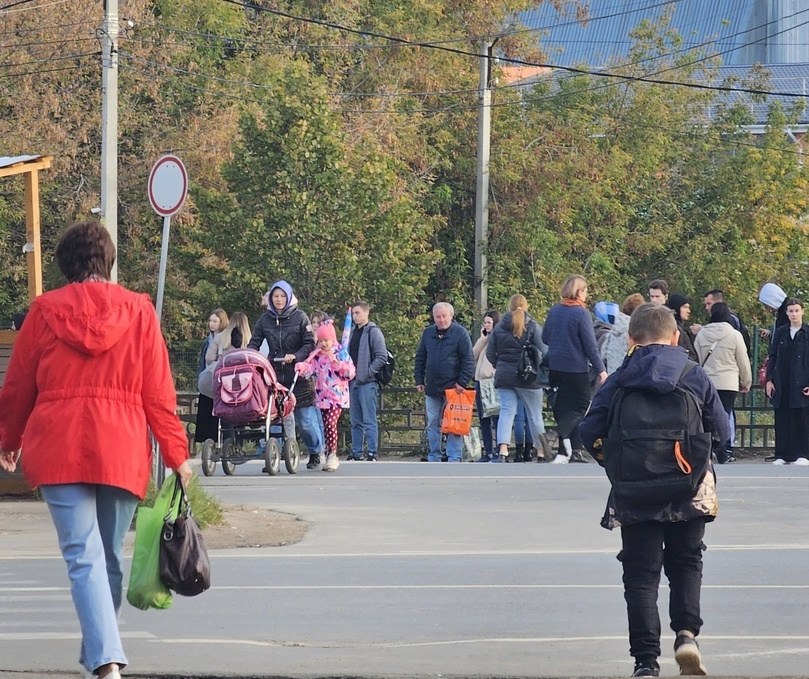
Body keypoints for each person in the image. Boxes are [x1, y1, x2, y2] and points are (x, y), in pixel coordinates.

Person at [0, 221, 192, 679]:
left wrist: (10, 439)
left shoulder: (43, 312)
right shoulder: (139, 311)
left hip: (60, 446)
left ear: (65, 265)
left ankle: (105, 657)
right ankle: (104, 654)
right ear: (108, 262)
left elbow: (19, 384)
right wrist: (175, 453)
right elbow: (158, 393)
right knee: (106, 555)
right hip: (122, 449)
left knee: (83, 555)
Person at [579, 302, 728, 679]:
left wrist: (614, 461)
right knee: (687, 562)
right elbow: (723, 431)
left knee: (641, 575)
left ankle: (645, 661)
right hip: (689, 484)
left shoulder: (619, 380)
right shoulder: (693, 374)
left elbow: (587, 431)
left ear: (631, 339)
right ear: (675, 337)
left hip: (634, 486)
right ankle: (687, 635)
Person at [248, 280, 325, 469]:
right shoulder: (264, 320)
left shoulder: (300, 317)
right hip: (275, 376)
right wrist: (250, 359)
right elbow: (254, 342)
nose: (279, 300)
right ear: (271, 299)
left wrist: (296, 356)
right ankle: (273, 456)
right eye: (276, 296)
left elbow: (309, 343)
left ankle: (316, 451)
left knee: (305, 422)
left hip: (298, 376)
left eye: (282, 296)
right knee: (273, 420)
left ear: (289, 297)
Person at [542, 275, 607, 464]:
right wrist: (601, 369)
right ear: (578, 292)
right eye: (585, 290)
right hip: (575, 367)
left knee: (563, 408)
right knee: (581, 405)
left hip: (555, 366)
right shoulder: (581, 313)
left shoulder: (555, 310)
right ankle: (555, 434)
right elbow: (590, 345)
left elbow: (545, 337)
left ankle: (570, 450)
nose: (587, 294)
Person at [487, 294, 547, 463]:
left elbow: (490, 354)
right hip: (528, 376)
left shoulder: (499, 328)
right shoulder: (533, 326)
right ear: (526, 306)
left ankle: (503, 450)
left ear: (509, 306)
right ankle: (541, 450)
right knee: (535, 415)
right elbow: (544, 349)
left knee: (507, 412)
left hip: (504, 375)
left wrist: (501, 364)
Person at [414, 302, 474, 462]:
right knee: (433, 422)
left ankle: (454, 455)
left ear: (451, 316)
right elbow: (421, 357)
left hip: (454, 387)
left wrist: (462, 382)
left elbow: (468, 360)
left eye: (444, 316)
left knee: (454, 422)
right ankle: (434, 454)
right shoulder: (428, 333)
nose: (441, 320)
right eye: (437, 317)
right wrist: (419, 379)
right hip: (432, 386)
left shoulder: (460, 333)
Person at [694, 303, 751, 464]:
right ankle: (724, 450)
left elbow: (696, 358)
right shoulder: (734, 335)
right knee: (723, 415)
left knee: (706, 415)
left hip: (706, 381)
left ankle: (708, 448)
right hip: (728, 382)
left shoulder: (702, 334)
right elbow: (743, 361)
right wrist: (746, 381)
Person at [295, 320, 355, 472]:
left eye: (326, 340)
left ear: (332, 339)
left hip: (337, 397)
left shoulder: (341, 353)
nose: (323, 344)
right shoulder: (317, 355)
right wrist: (302, 367)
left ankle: (332, 455)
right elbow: (310, 370)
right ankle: (328, 452)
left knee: (330, 423)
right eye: (320, 340)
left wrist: (338, 364)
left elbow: (349, 373)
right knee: (326, 426)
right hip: (322, 397)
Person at [764, 298, 809, 465]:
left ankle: (803, 453)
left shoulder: (807, 333)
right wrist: (769, 379)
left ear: (802, 311)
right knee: (782, 417)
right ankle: (782, 454)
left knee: (802, 418)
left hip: (802, 381)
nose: (794, 314)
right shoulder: (781, 332)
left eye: (797, 310)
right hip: (782, 381)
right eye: (791, 311)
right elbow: (773, 356)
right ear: (786, 313)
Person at [347, 301, 388, 461]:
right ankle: (356, 451)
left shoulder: (373, 332)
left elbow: (381, 356)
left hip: (367, 382)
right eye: (353, 313)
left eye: (358, 313)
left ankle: (372, 451)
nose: (355, 316)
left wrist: (368, 372)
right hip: (352, 380)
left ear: (366, 313)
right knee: (355, 419)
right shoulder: (351, 332)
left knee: (369, 418)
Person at [194, 308, 228, 447]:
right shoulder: (208, 340)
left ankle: (221, 440)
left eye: (215, 321)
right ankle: (206, 442)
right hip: (207, 378)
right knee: (205, 409)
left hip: (220, 379)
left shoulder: (225, 338)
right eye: (210, 321)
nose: (211, 324)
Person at [473, 309, 500, 462]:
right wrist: (482, 339)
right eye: (485, 323)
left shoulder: (498, 339)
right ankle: (487, 450)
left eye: (489, 322)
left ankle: (498, 449)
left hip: (492, 380)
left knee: (495, 417)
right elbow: (473, 355)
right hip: (480, 381)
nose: (486, 325)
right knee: (483, 418)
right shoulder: (483, 339)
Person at [692, 289, 751, 354]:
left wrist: (702, 329)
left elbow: (722, 334)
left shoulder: (731, 319)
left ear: (719, 302)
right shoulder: (721, 319)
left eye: (709, 304)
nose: (706, 307)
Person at [665, 294, 698, 362]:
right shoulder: (675, 329)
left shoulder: (680, 328)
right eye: (685, 307)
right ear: (676, 307)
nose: (688, 311)